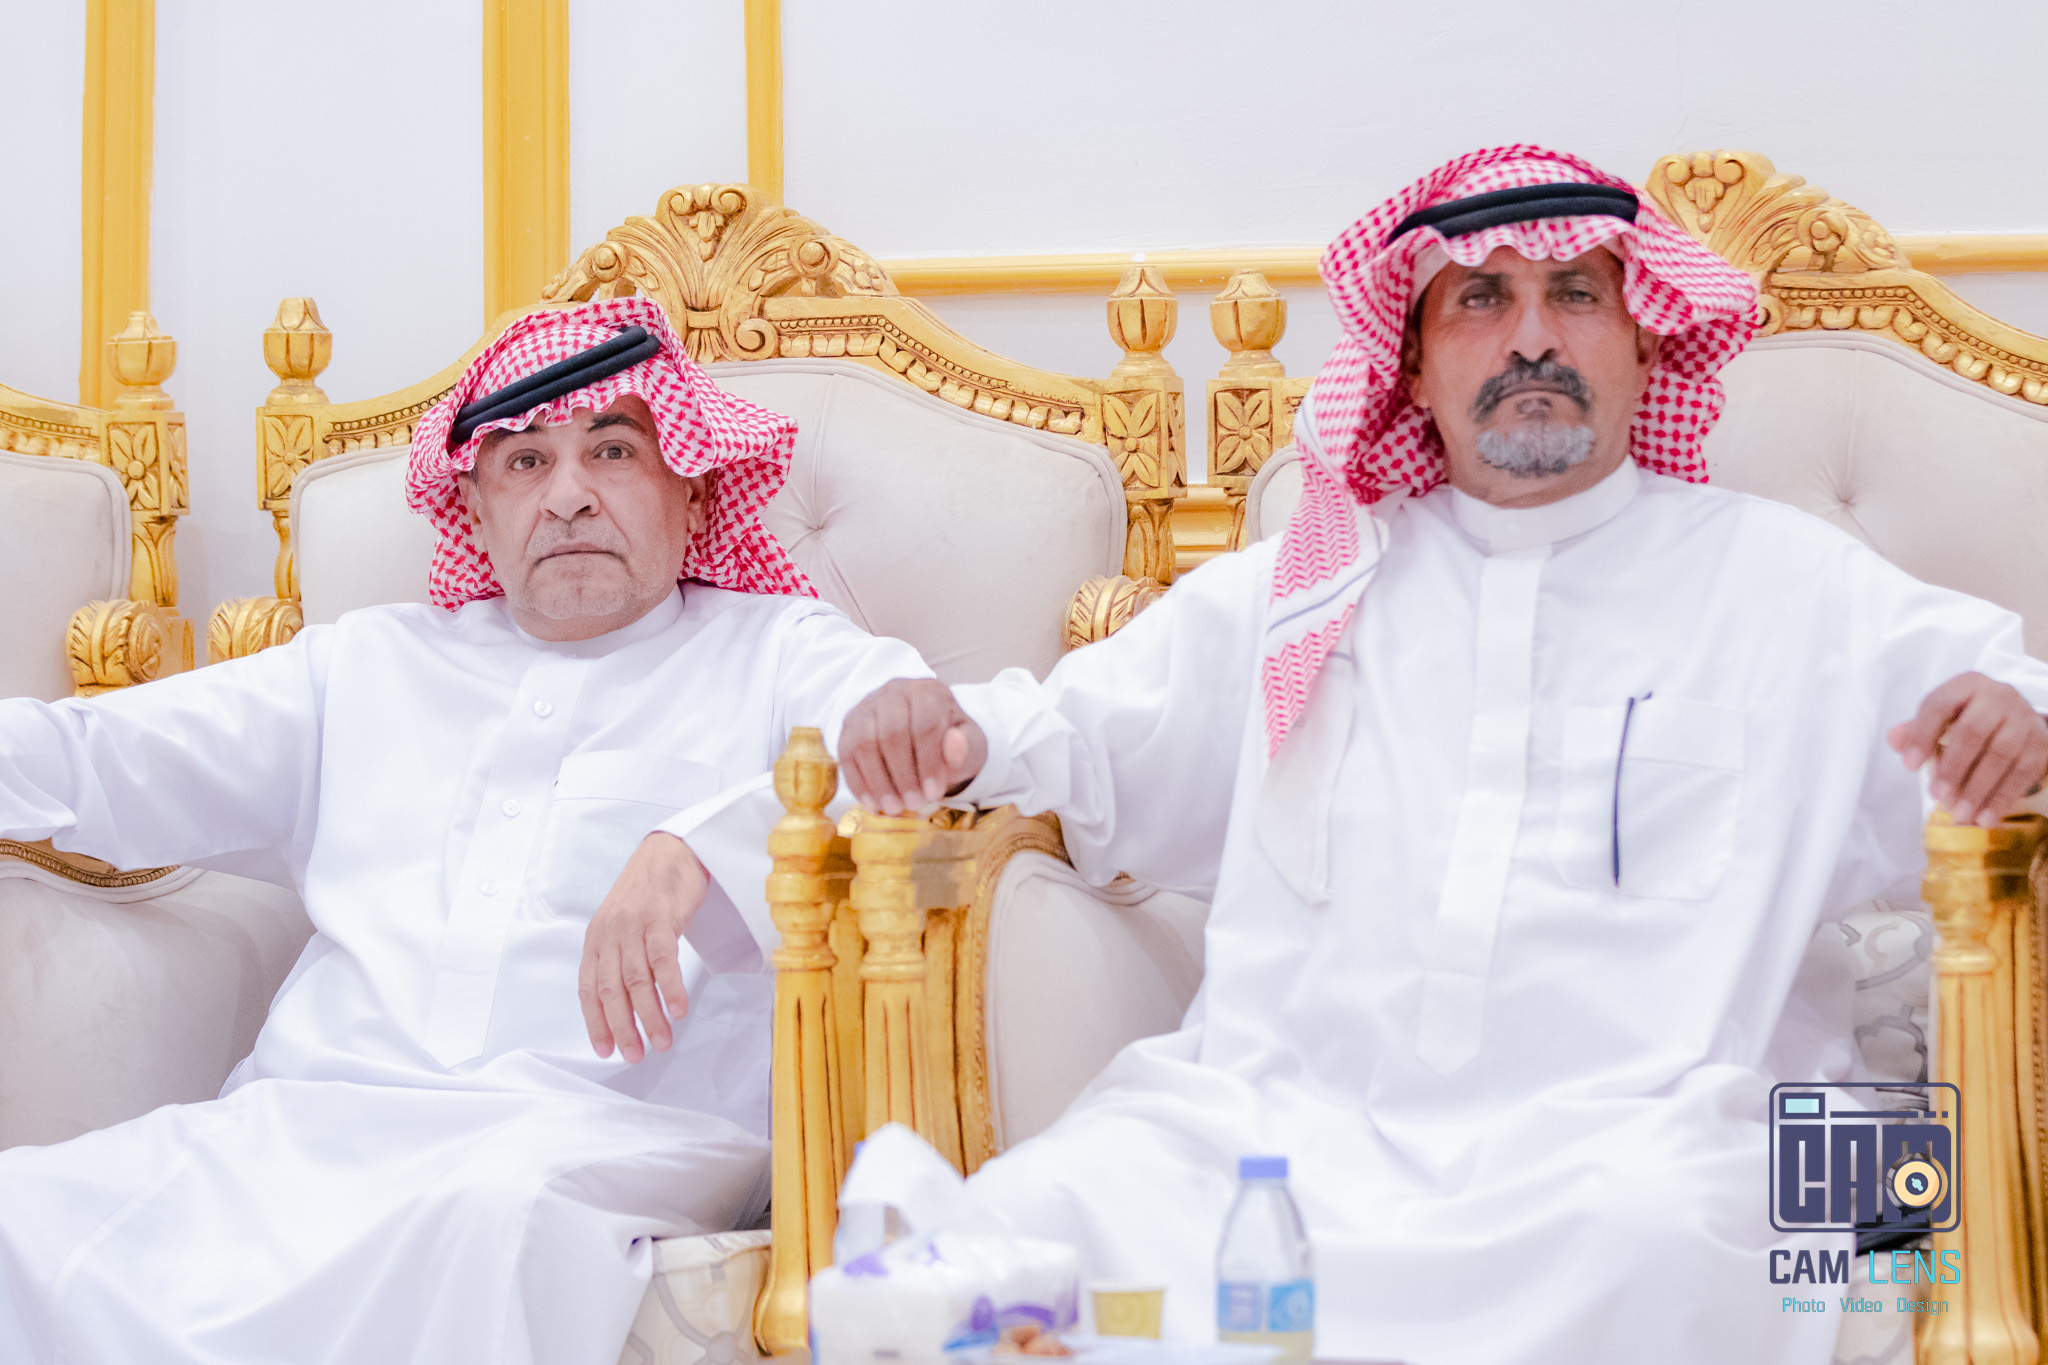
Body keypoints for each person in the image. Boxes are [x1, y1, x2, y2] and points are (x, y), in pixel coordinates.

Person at [835, 146, 2048, 1362]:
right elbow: (1074, 738)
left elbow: (2011, 706)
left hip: (1653, 1137)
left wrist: (2018, 729)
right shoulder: (1302, 591)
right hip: (1281, 1126)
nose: (1532, 336)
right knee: (1051, 1208)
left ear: (1644, 339)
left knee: (1672, 1239)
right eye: (1479, 298)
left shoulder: (1787, 585)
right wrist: (943, 729)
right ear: (1409, 363)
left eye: (1574, 293)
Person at [0, 297, 931, 1364]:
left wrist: (702, 848)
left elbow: (927, 746)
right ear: (474, 509)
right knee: (26, 1215)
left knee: (492, 1219)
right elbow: (90, 755)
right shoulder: (363, 666)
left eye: (613, 450)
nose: (568, 495)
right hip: (297, 1131)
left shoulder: (779, 651)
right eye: (525, 462)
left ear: (692, 482)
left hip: (587, 1145)